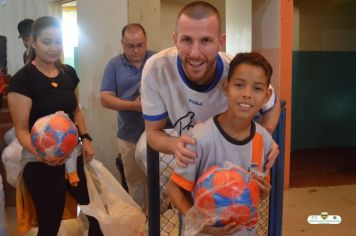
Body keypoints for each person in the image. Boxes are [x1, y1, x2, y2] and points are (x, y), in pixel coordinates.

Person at [140, 1, 280, 170]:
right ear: (175, 39)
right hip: (189, 150)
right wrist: (175, 145)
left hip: (228, 156)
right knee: (141, 151)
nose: (195, 53)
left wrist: (264, 138)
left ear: (221, 42)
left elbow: (272, 101)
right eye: (187, 40)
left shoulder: (237, 72)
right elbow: (153, 133)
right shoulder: (156, 69)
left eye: (206, 40)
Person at [8, 16, 103, 236]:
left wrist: (86, 138)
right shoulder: (23, 80)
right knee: (50, 221)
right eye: (47, 42)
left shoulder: (68, 73)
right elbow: (21, 130)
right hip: (40, 162)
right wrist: (43, 154)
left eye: (58, 42)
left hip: (73, 156)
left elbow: (76, 110)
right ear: (33, 42)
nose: (54, 48)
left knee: (93, 213)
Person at [166, 52, 274, 236]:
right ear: (226, 88)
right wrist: (197, 221)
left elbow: (254, 193)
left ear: (266, 96)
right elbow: (173, 188)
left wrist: (260, 193)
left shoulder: (264, 141)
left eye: (257, 88)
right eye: (239, 85)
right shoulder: (199, 138)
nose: (247, 94)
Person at [100, 23, 155, 208]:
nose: (136, 50)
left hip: (158, 133)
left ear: (146, 41)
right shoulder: (114, 65)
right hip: (129, 134)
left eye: (140, 45)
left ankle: (160, 225)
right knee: (135, 184)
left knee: (159, 183)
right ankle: (139, 224)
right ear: (122, 44)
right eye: (130, 46)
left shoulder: (158, 60)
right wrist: (134, 106)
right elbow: (105, 99)